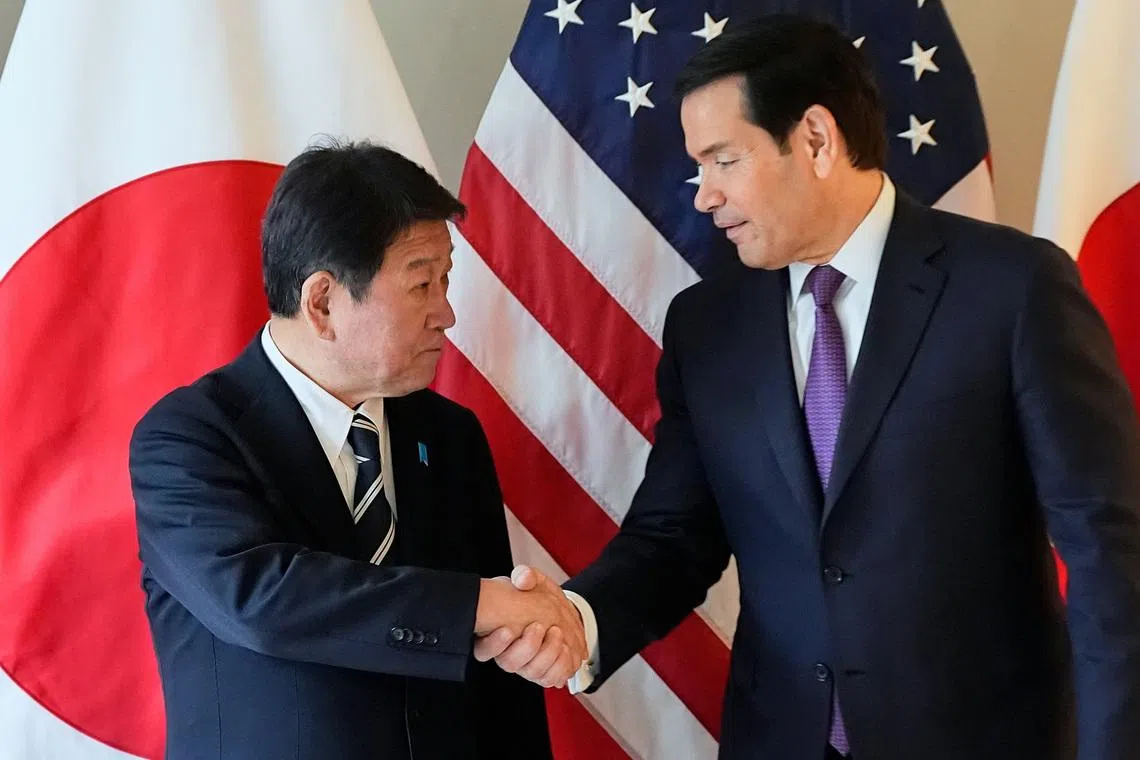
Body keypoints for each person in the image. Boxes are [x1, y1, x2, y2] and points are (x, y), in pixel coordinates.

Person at [476, 15, 1140, 760]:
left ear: (817, 140)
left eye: (724, 160)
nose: (703, 196)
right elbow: (675, 537)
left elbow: (1108, 550)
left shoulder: (1012, 288)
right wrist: (581, 620)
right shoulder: (708, 326)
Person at [129, 140, 584, 760]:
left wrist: (520, 632)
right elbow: (257, 597)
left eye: (445, 280)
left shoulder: (451, 435)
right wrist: (480, 603)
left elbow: (500, 689)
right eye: (421, 284)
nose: (446, 314)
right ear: (322, 303)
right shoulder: (189, 437)